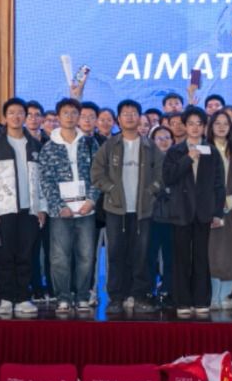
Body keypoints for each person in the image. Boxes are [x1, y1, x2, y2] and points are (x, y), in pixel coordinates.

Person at [92, 99, 165, 312]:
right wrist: (111, 189)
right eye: (125, 113)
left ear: (140, 117)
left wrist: (151, 191)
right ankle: (116, 297)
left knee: (142, 255)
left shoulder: (150, 146)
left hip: (143, 210)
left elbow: (162, 174)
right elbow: (96, 173)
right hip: (116, 209)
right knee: (116, 254)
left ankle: (140, 296)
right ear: (119, 119)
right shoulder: (110, 145)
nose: (130, 117)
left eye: (134, 113)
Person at [35, 99, 101, 314]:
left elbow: (98, 174)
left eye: (74, 113)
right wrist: (58, 205)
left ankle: (82, 296)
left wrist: (91, 200)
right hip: (60, 212)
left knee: (86, 255)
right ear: (58, 116)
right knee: (59, 257)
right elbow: (46, 179)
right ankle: (63, 297)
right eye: (66, 113)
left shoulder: (90, 143)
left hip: (86, 210)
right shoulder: (49, 146)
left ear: (79, 116)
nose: (70, 117)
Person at [162, 107, 225, 317]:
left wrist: (218, 212)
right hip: (181, 211)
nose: (195, 128)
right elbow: (168, 177)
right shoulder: (175, 151)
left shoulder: (212, 151)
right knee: (181, 258)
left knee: (201, 257)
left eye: (199, 124)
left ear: (204, 127)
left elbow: (219, 185)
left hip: (204, 212)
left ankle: (201, 300)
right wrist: (188, 158)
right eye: (191, 124)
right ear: (185, 126)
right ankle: (182, 301)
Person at [0, 98, 44, 317]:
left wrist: (42, 208)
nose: (16, 116)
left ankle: (22, 298)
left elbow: (43, 181)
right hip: (4, 211)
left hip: (30, 211)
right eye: (11, 112)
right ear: (5, 117)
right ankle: (6, 298)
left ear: (26, 117)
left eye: (21, 113)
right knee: (5, 256)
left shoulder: (36, 146)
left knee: (25, 256)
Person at [207, 109, 232, 309]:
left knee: (231, 251)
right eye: (217, 123)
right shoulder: (203, 149)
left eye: (225, 124)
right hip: (209, 210)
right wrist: (214, 205)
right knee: (211, 253)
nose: (221, 127)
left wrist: (230, 201)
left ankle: (227, 295)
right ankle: (212, 296)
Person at [146, 125, 177, 304]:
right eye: (159, 138)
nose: (164, 141)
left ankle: (168, 288)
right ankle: (149, 289)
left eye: (167, 138)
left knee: (170, 256)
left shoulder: (178, 160)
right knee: (149, 255)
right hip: (150, 215)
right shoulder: (147, 162)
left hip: (173, 216)